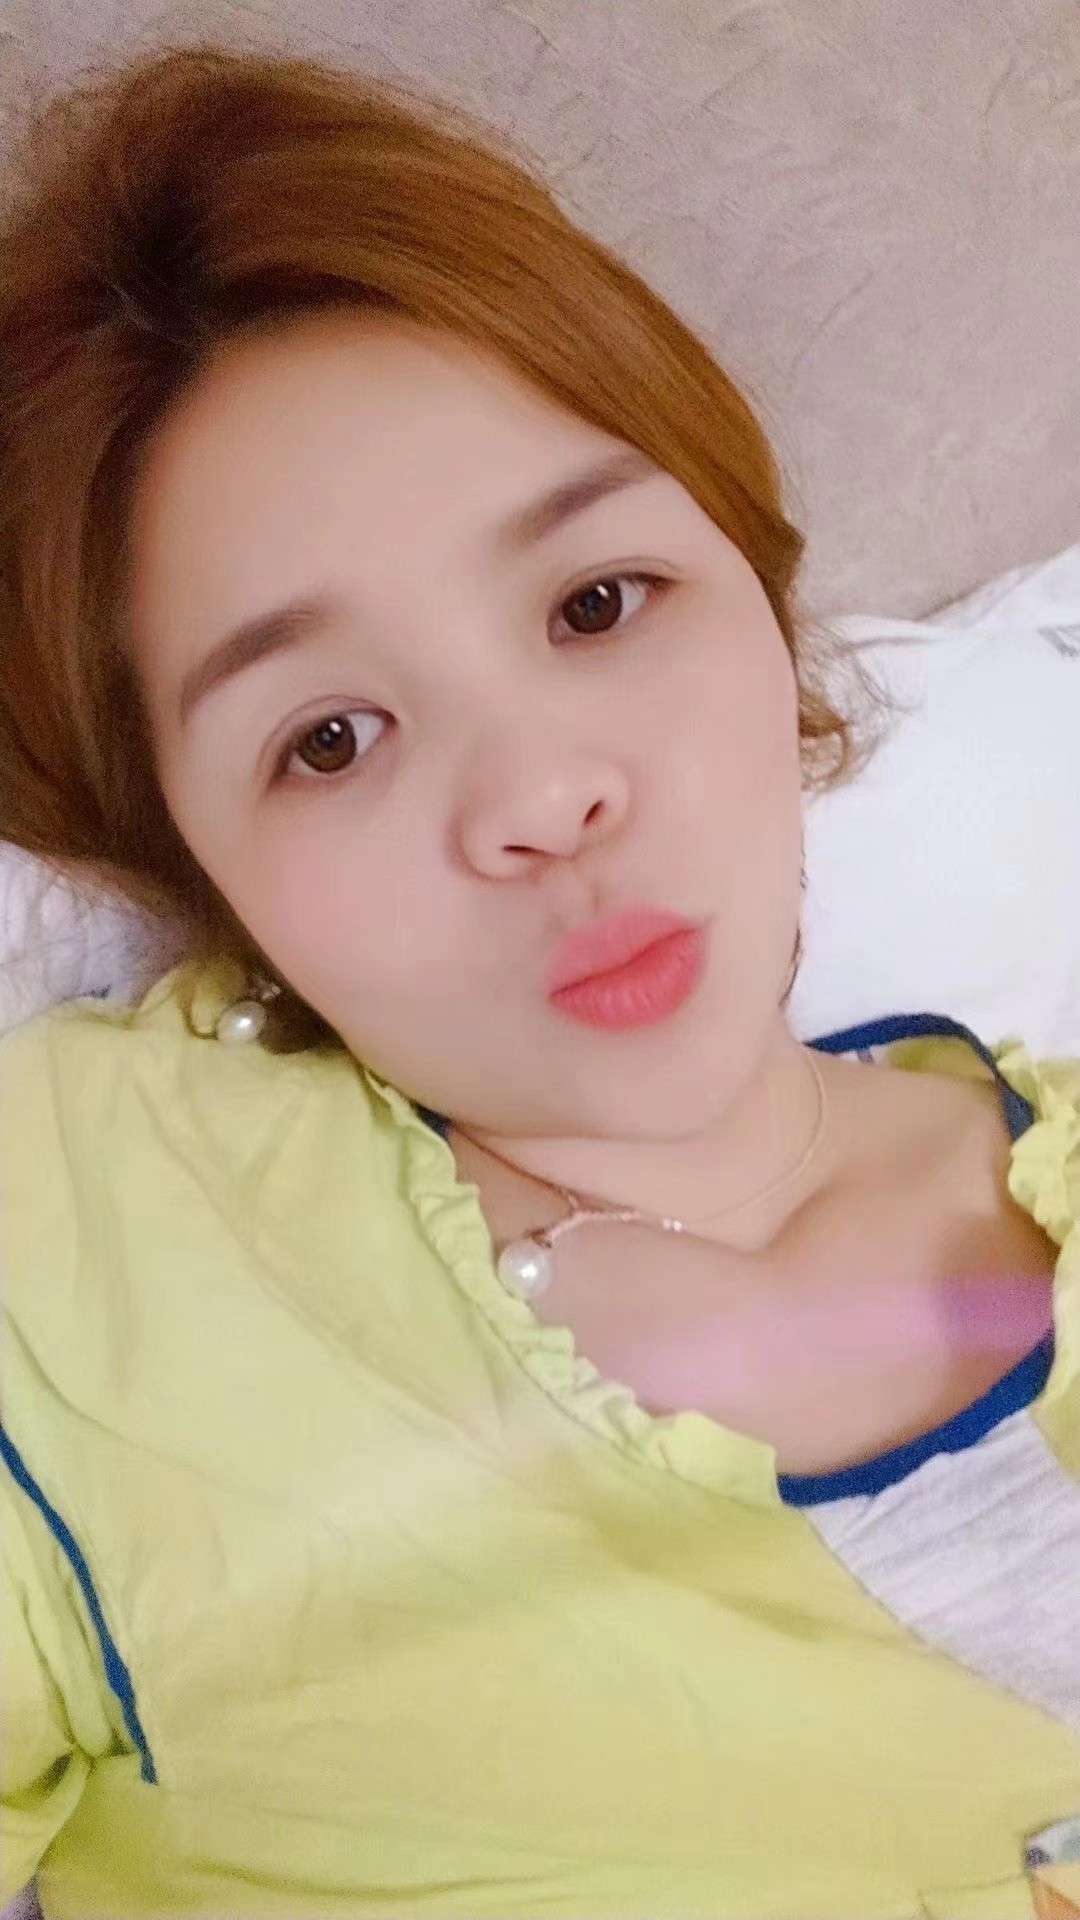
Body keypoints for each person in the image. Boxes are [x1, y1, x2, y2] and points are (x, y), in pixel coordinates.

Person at [1, 40, 1078, 1920]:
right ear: (197, 865)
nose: (540, 800)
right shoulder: (85, 1253)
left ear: (759, 600)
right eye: (329, 738)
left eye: (596, 602)